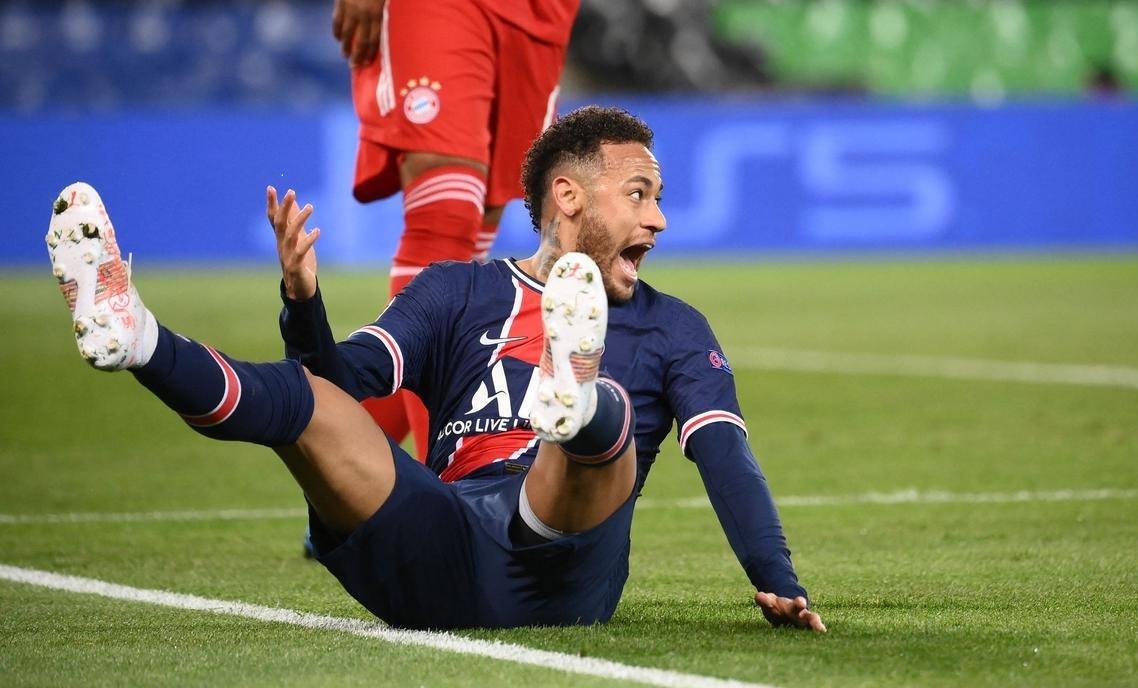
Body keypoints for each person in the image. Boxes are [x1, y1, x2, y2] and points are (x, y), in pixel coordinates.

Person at [45, 106, 824, 632]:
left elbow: (723, 451)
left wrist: (775, 574)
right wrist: (301, 301)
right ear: (569, 197)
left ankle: (577, 398)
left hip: (564, 565)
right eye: (640, 194)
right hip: (442, 545)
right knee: (304, 399)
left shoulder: (673, 327)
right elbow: (341, 383)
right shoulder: (458, 291)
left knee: (598, 428)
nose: (659, 218)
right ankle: (136, 335)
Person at [332, 0, 580, 461]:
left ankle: (340, 485)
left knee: (472, 236)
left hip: (541, 13)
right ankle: (444, 488)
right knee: (445, 216)